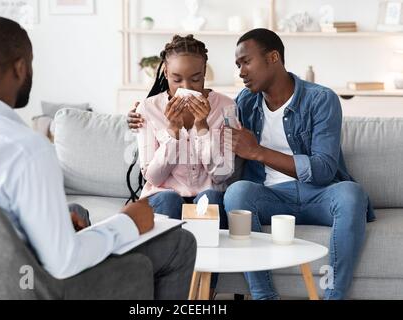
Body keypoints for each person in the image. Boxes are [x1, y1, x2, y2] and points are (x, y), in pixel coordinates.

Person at [0, 16, 196, 300]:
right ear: (20, 67)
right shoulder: (27, 150)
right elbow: (63, 261)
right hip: (36, 287)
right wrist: (127, 223)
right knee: (179, 243)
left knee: (77, 211)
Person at [129, 29, 375, 300]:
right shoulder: (244, 102)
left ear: (273, 57)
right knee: (237, 193)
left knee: (352, 193)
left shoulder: (320, 99)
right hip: (270, 196)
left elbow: (324, 169)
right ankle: (264, 295)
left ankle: (334, 295)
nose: (241, 72)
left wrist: (257, 152)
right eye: (237, 66)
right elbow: (207, 116)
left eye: (246, 62)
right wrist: (142, 116)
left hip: (318, 193)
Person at [134, 35, 235, 225]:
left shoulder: (227, 107)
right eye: (177, 79)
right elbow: (154, 177)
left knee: (211, 198)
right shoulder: (148, 109)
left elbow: (222, 174)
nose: (186, 87)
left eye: (195, 79)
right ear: (165, 72)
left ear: (205, 72)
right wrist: (173, 131)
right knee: (168, 199)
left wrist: (202, 127)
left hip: (208, 194)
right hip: (163, 196)